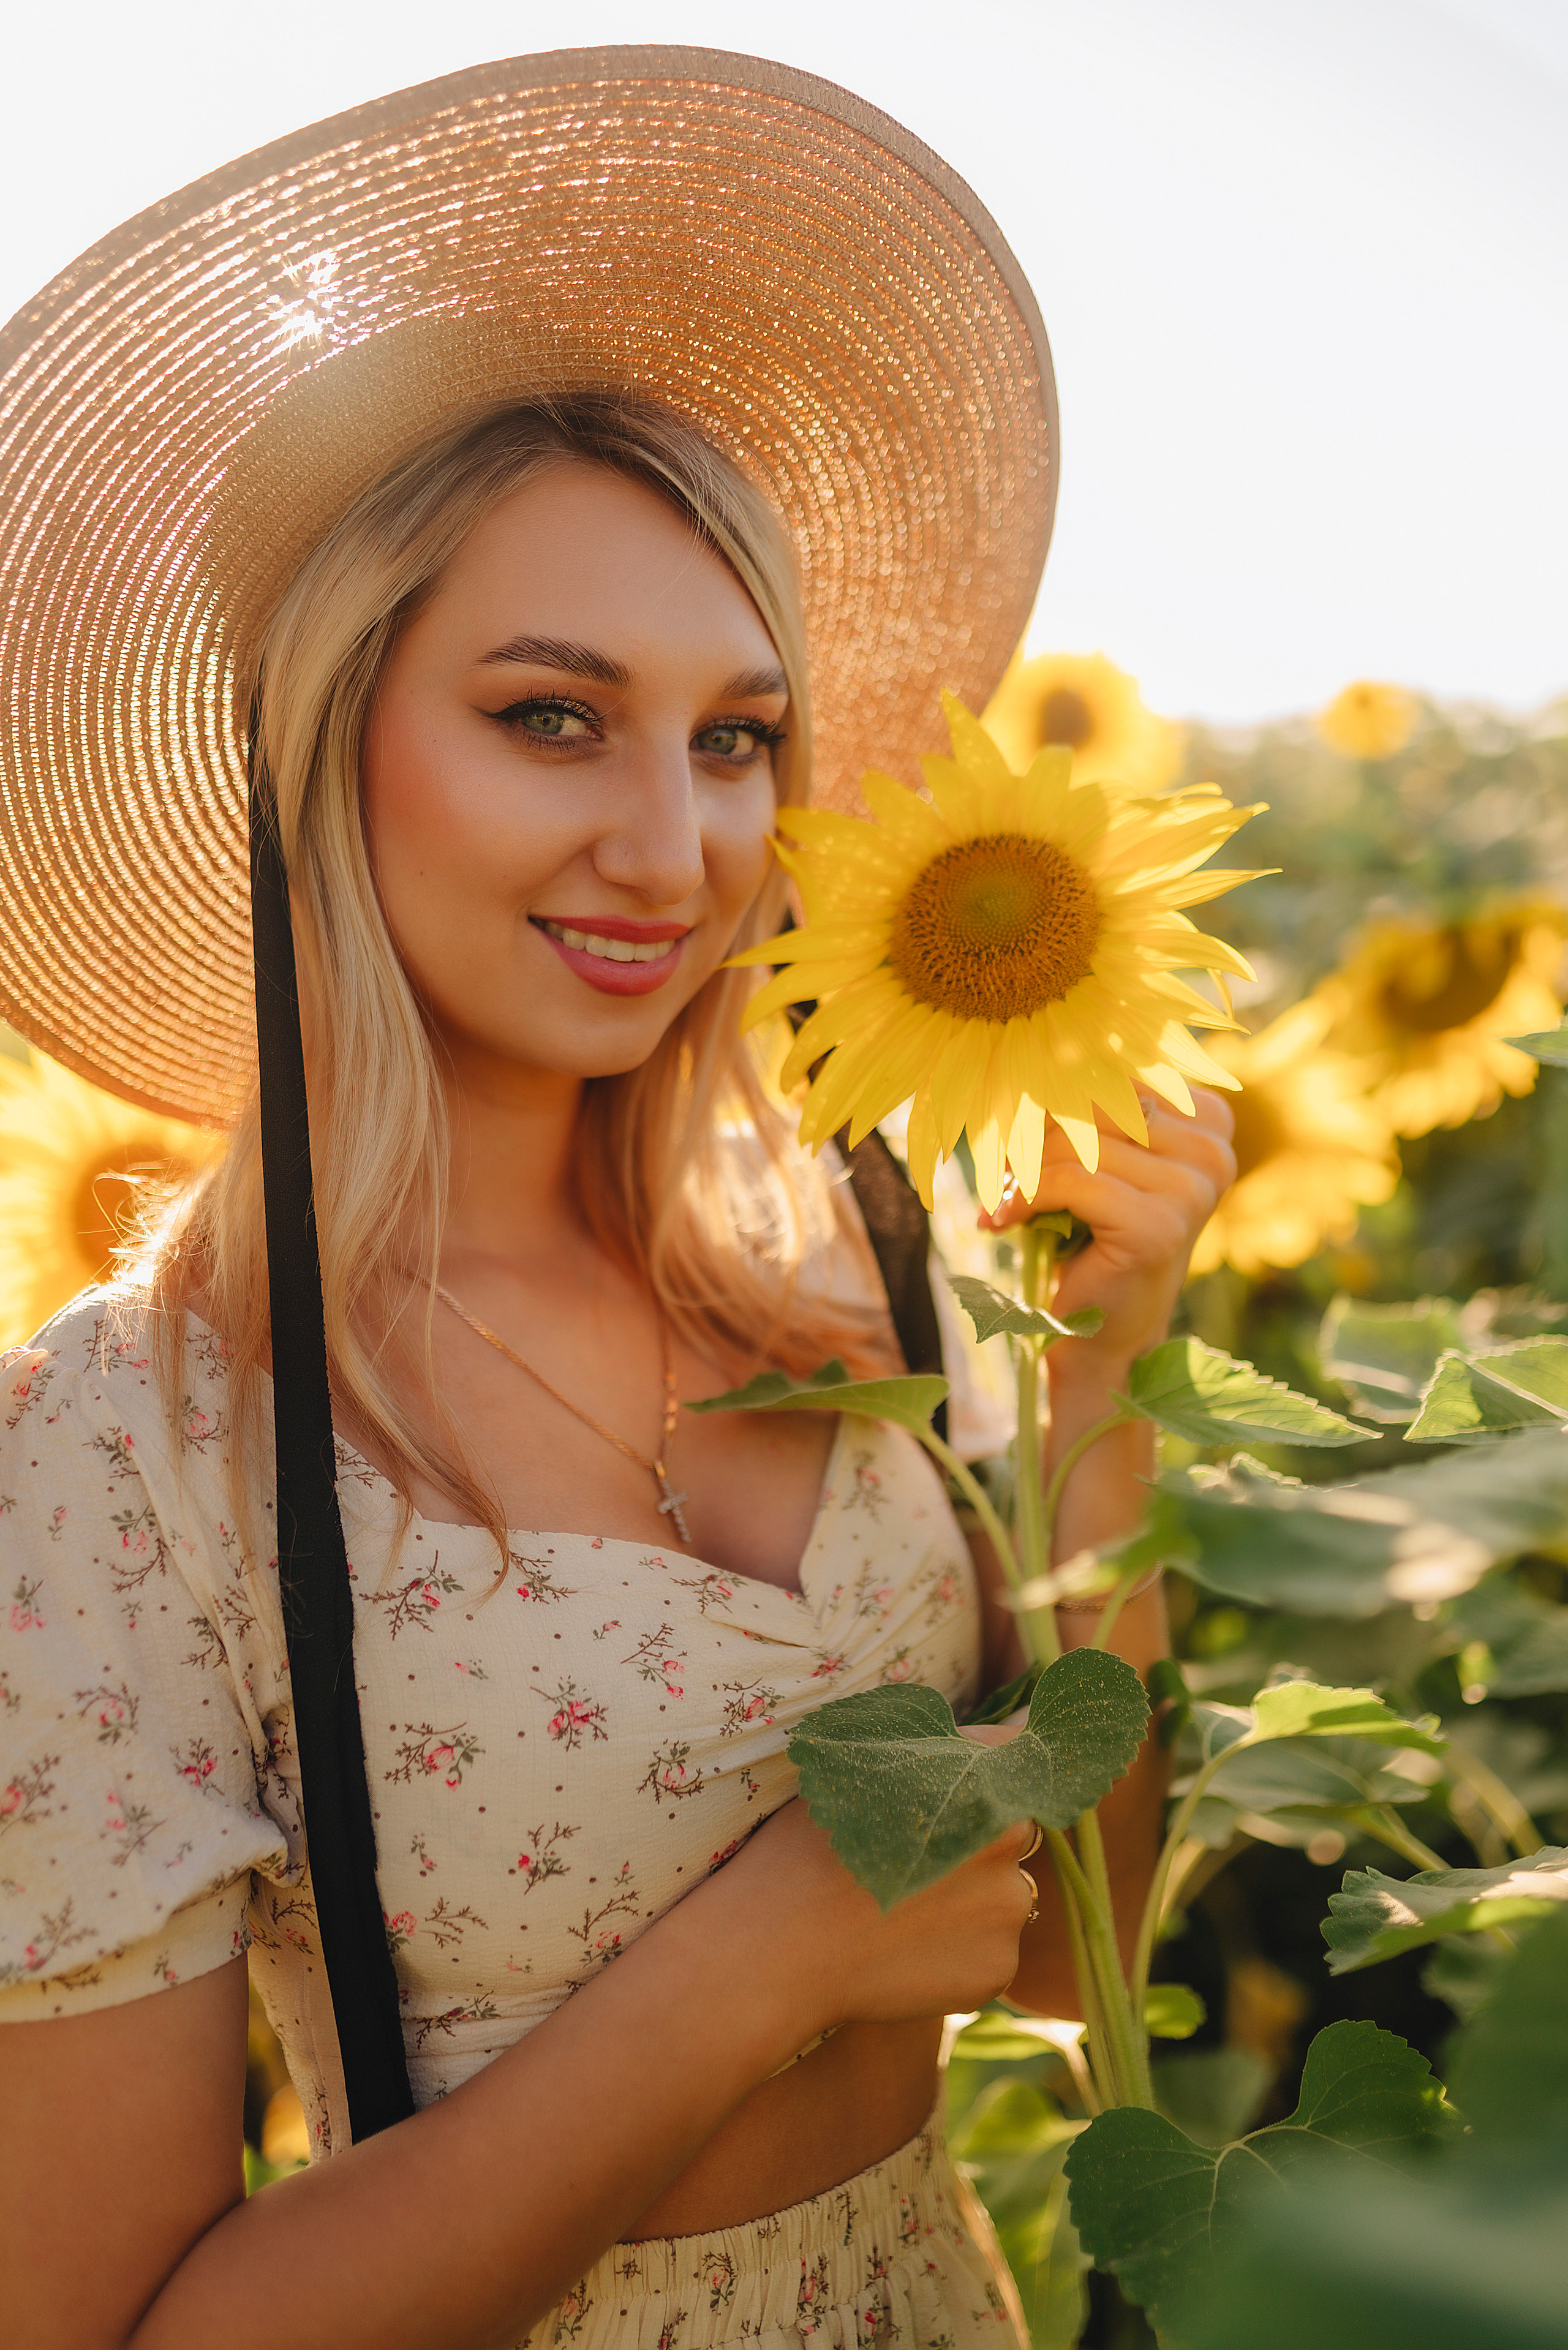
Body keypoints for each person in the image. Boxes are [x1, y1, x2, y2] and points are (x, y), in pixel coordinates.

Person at [0, 51, 1235, 2350]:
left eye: (737, 738)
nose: (677, 854)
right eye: (552, 716)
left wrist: (1108, 1359)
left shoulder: (856, 1262)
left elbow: (1078, 1953)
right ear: (317, 742)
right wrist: (771, 1954)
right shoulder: (129, 1451)